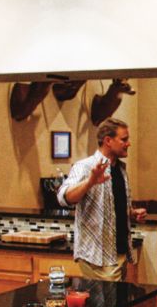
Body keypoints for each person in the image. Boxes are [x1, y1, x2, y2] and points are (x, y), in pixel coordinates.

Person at [57, 118, 146, 281]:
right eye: (124, 139)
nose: (129, 143)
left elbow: (113, 208)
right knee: (107, 299)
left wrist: (131, 213)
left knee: (119, 298)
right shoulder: (85, 166)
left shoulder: (121, 170)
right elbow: (64, 197)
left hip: (120, 252)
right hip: (97, 258)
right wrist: (90, 182)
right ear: (108, 141)